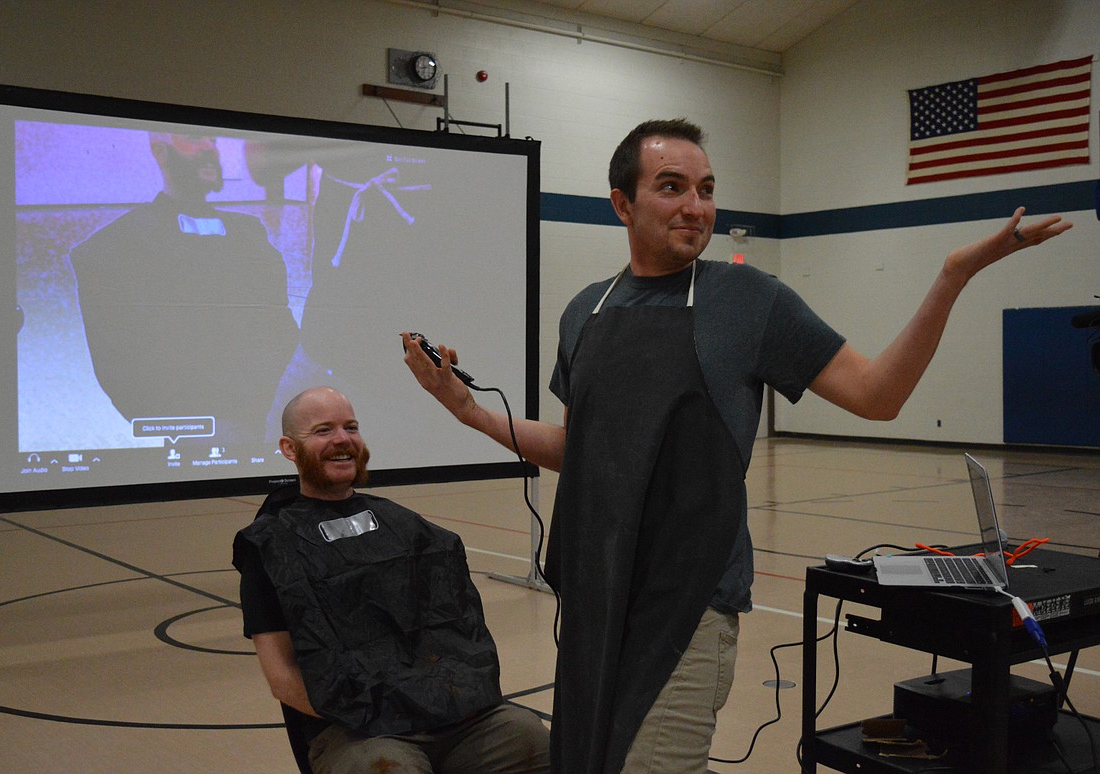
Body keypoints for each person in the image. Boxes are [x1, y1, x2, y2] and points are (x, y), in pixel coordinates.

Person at [401, 118, 1073, 774]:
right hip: (595, 601)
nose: (696, 207)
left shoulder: (750, 301)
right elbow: (580, 447)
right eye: (671, 187)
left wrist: (952, 276)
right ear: (620, 203)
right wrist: (468, 411)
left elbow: (878, 395)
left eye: (707, 189)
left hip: (690, 605)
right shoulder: (585, 311)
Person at [232, 386, 550, 774]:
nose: (342, 440)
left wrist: (441, 700)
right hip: (356, 729)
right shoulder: (270, 546)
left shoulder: (406, 528)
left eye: (351, 427)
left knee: (529, 735)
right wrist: (372, 715)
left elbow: (454, 633)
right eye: (323, 430)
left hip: (444, 714)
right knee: (389, 767)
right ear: (289, 448)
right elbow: (282, 677)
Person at [70, 133, 299, 443]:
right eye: (194, 139)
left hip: (269, 419)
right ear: (160, 152)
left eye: (213, 141)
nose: (209, 148)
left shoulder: (249, 235)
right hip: (196, 428)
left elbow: (280, 328)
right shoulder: (112, 247)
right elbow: (118, 359)